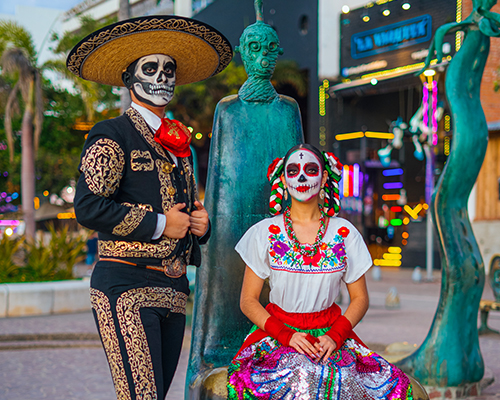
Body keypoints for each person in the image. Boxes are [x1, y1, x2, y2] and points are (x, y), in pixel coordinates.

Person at [67, 15, 232, 399]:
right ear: (129, 79)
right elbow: (88, 206)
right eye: (151, 68)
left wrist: (199, 225)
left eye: (169, 69)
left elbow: (184, 215)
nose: (162, 76)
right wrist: (160, 224)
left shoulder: (180, 146)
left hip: (174, 289)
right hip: (126, 284)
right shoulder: (112, 133)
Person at [227, 143, 413, 399]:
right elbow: (248, 301)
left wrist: (335, 337)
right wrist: (286, 336)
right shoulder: (265, 233)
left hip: (331, 337)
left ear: (325, 176)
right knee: (301, 377)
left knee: (390, 386)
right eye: (293, 171)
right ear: (283, 178)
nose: (302, 177)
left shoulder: (344, 233)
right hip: (278, 336)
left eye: (311, 169)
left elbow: (360, 299)